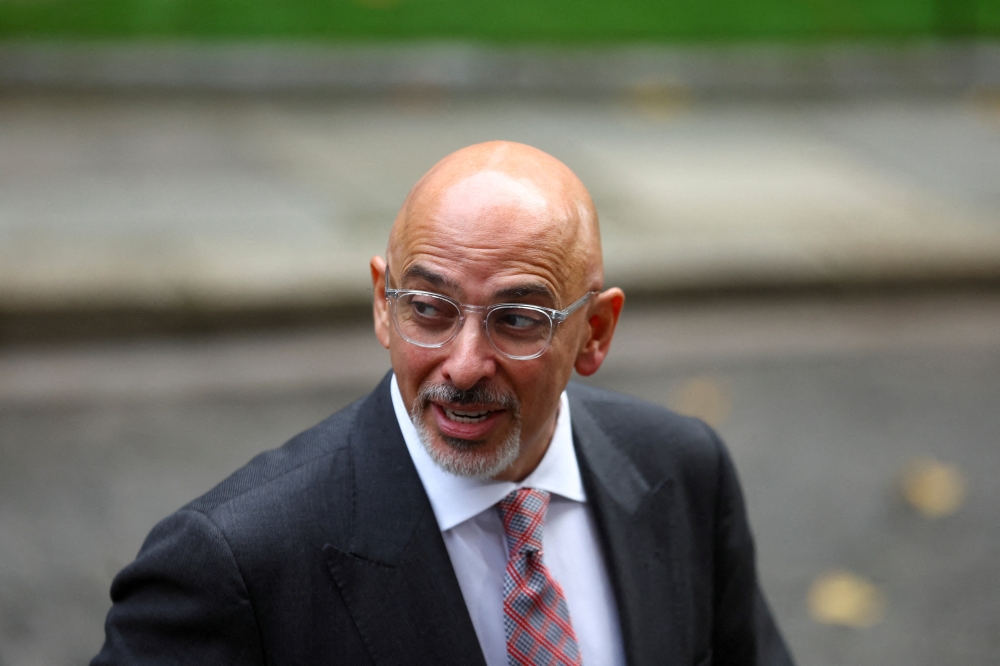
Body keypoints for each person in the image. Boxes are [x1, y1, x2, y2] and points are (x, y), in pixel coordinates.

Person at [92, 141, 794, 666]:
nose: (463, 365)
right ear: (382, 304)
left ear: (596, 332)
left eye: (517, 320)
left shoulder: (684, 471)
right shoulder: (231, 563)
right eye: (428, 309)